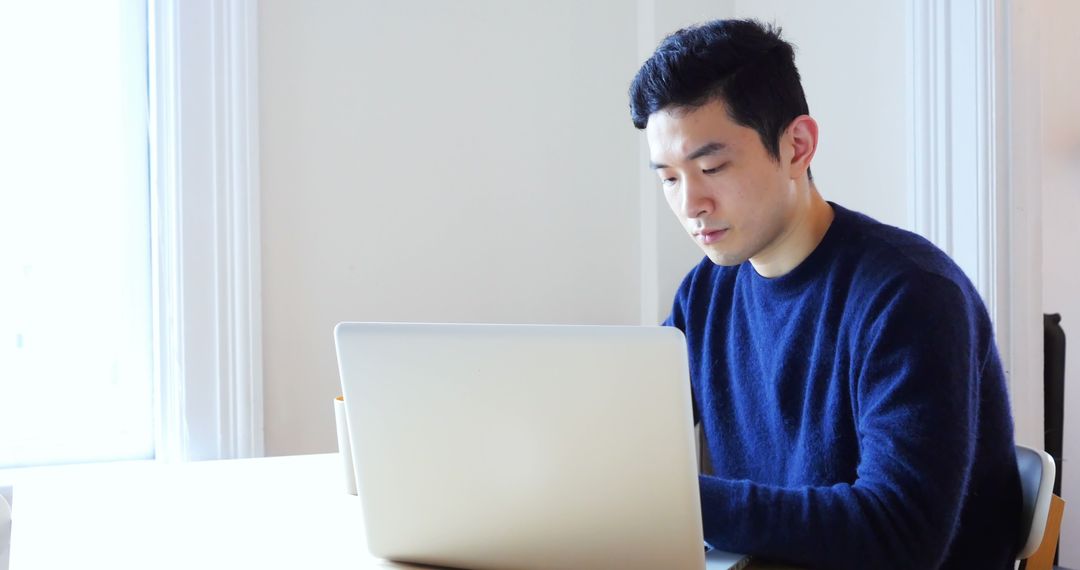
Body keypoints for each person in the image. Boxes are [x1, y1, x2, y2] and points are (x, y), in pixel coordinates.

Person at [629, 19, 1021, 569]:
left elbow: (900, 535)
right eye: (669, 178)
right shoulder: (706, 292)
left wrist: (672, 499)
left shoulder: (911, 297)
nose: (690, 203)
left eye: (712, 167)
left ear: (797, 146)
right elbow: (635, 444)